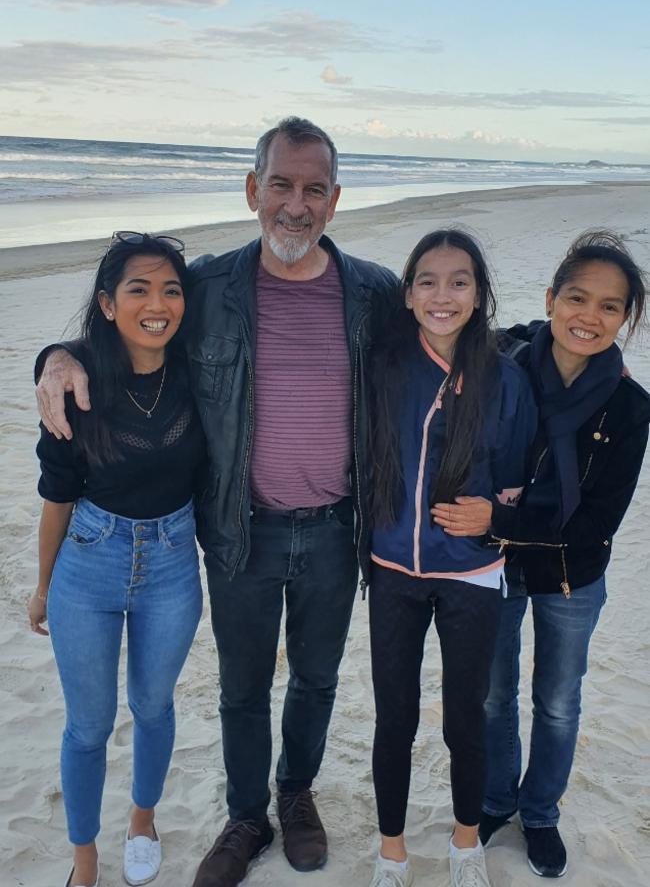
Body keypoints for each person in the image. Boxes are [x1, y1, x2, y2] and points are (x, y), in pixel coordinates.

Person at [35, 118, 398, 887]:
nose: (295, 205)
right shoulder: (207, 288)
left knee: (316, 679)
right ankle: (245, 814)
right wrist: (56, 356)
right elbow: (130, 326)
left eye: (314, 189)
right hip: (241, 530)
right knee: (241, 686)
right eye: (281, 185)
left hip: (337, 528)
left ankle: (295, 795)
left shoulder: (373, 292)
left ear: (335, 201)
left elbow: (455, 338)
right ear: (250, 191)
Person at [431, 231, 650, 878]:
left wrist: (496, 517)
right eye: (577, 297)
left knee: (557, 700)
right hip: (494, 568)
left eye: (610, 307)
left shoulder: (631, 406)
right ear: (552, 298)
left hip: (569, 577)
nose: (590, 316)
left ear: (626, 320)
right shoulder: (506, 359)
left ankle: (542, 813)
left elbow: (595, 525)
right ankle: (499, 798)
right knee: (494, 697)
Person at [28, 233, 205, 887]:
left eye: (170, 290)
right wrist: (42, 588)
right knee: (89, 726)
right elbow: (55, 498)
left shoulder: (198, 371)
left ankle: (142, 818)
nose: (156, 304)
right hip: (89, 563)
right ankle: (84, 861)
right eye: (138, 289)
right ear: (107, 303)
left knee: (154, 705)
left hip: (172, 565)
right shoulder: (74, 385)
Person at [363, 230, 537, 887]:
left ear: (479, 294)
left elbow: (517, 480)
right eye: (428, 281)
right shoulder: (382, 366)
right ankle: (392, 850)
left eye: (459, 281)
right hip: (392, 571)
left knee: (466, 714)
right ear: (407, 295)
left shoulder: (507, 379)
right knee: (394, 716)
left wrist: (492, 515)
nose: (443, 295)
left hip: (471, 575)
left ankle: (466, 843)